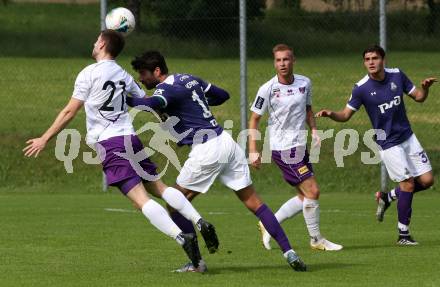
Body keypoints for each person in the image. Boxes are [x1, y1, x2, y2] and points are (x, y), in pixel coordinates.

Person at [22, 30, 220, 269]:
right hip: (130, 138)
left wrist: (45, 138)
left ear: (103, 44)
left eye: (96, 40)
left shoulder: (88, 73)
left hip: (110, 144)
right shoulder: (124, 75)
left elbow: (69, 111)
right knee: (160, 187)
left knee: (140, 200)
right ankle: (199, 220)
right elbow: (145, 101)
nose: (94, 43)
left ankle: (181, 237)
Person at [125, 50, 307, 272]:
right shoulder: (189, 79)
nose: (142, 79)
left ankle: (197, 263)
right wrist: (194, 101)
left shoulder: (166, 88)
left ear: (157, 71)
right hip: (227, 143)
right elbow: (222, 95)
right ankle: (290, 252)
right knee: (254, 203)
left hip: (207, 149)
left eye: (144, 74)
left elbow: (154, 102)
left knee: (174, 204)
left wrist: (127, 98)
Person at [315, 44, 436, 245]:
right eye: (367, 59)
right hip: (387, 143)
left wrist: (425, 88)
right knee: (407, 184)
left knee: (427, 180)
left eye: (374, 58)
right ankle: (403, 235)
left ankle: (387, 197)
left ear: (383, 60)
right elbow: (345, 115)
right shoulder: (361, 88)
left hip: (408, 137)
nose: (371, 62)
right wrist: (331, 114)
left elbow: (420, 98)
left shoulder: (397, 75)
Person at [248, 44, 343, 252]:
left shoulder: (305, 83)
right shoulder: (267, 88)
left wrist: (315, 130)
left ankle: (267, 223)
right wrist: (253, 150)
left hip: (299, 146)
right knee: (313, 190)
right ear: (274, 63)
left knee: (304, 196)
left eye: (286, 59)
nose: (282, 64)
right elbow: (254, 119)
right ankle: (316, 239)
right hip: (283, 149)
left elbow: (308, 109)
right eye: (278, 60)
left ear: (293, 61)